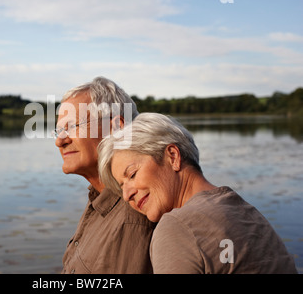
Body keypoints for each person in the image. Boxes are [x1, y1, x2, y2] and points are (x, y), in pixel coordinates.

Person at [98, 112, 297, 274]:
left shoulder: (177, 226)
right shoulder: (249, 213)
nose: (126, 195)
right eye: (122, 185)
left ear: (173, 156)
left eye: (132, 175)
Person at [54, 77, 155, 274]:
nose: (60, 141)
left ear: (116, 128)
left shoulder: (132, 215)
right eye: (58, 130)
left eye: (72, 127)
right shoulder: (99, 197)